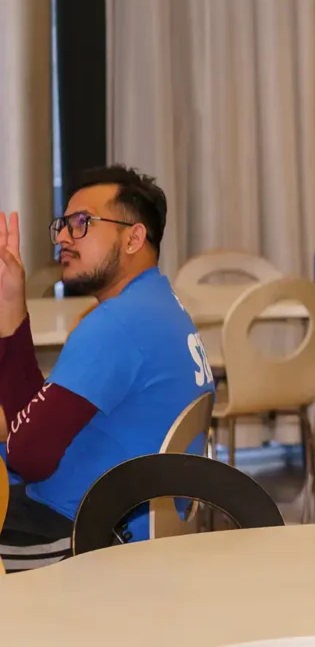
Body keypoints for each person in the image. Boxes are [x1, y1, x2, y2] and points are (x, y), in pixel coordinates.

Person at [0, 166, 217, 570]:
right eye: (63, 225)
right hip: (135, 523)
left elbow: (26, 456)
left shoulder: (116, 324)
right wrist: (12, 303)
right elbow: (33, 424)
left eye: (82, 223)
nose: (63, 237)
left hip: (79, 535)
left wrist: (16, 437)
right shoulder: (161, 306)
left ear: (134, 237)